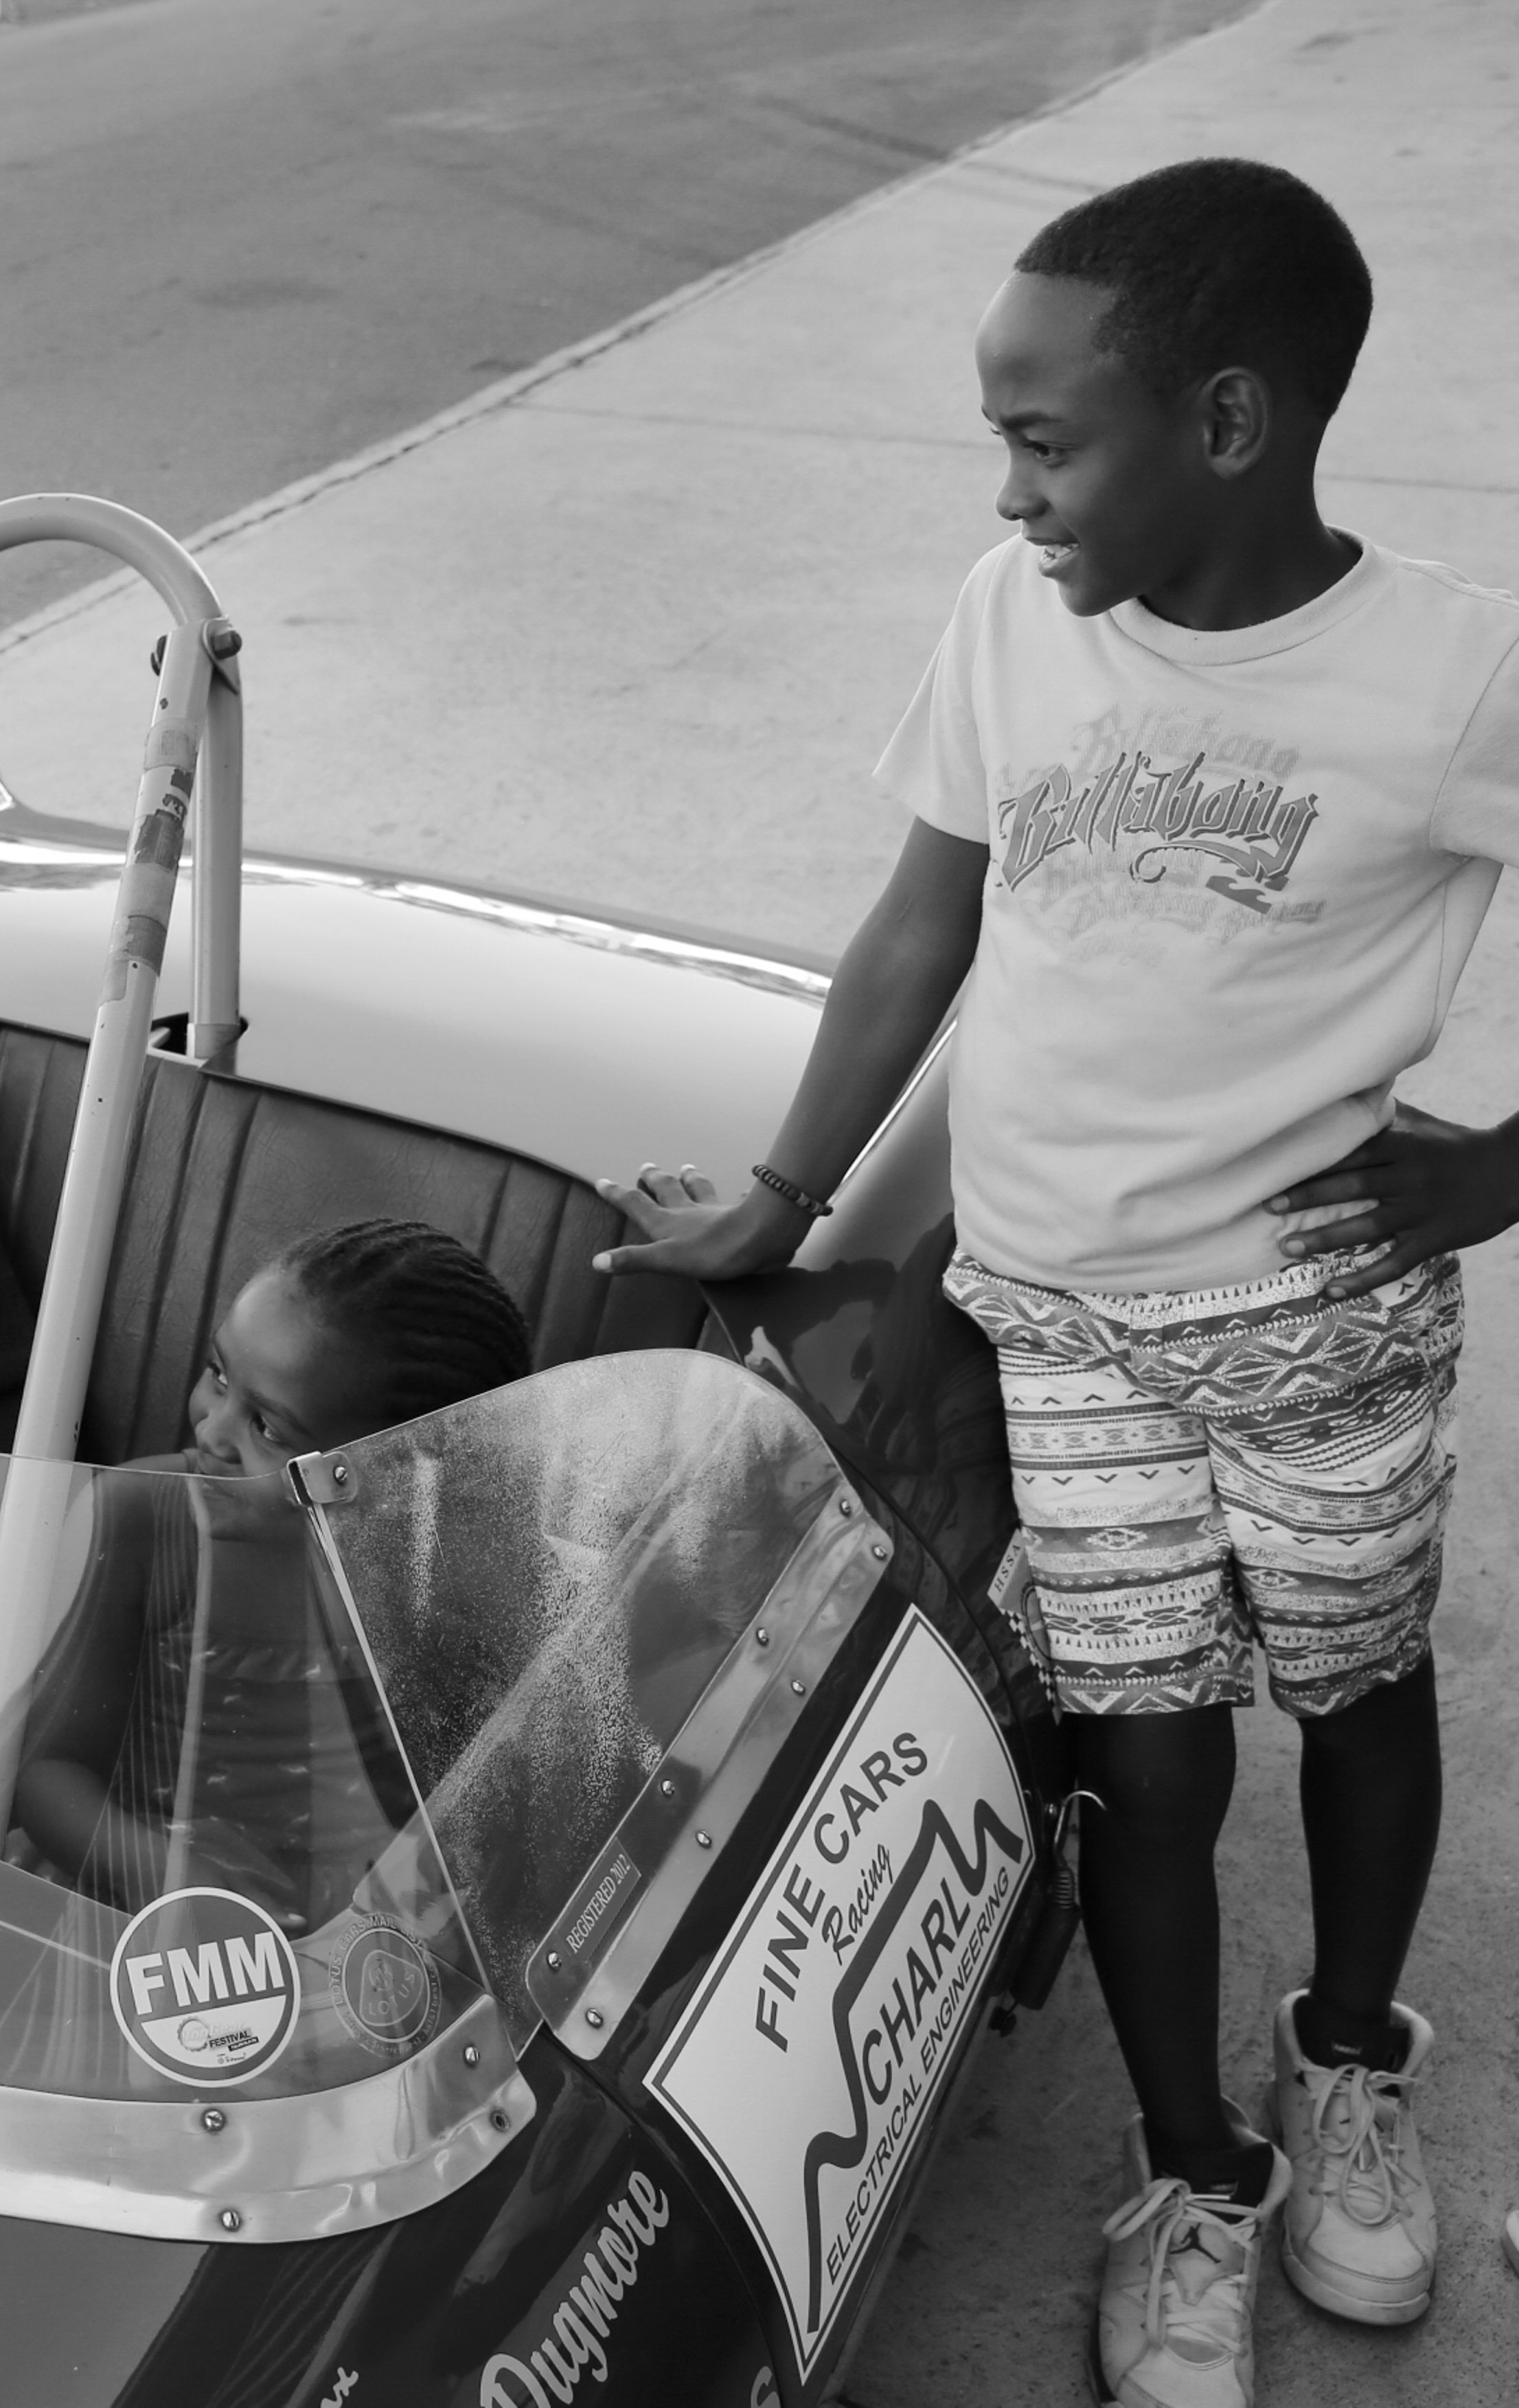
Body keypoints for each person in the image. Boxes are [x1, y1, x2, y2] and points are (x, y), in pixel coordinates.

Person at [595, 161, 1513, 2405]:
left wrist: (1505, 1163)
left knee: (1357, 1689)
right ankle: (1190, 2160)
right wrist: (793, 1191)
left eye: (1042, 438)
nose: (1008, 492)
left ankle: (1346, 2054)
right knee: (1145, 1750)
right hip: (1063, 1319)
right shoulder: (1010, 622)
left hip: (1318, 1321)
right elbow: (926, 924)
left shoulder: (1452, 670)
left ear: (1228, 420)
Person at [12, 1220, 532, 1922]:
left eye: (267, 1427)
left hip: (358, 1921)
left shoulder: (431, 1571)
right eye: (219, 1375)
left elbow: (474, 1772)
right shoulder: (144, 1517)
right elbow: (45, 1772)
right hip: (144, 1900)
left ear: (393, 1470)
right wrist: (167, 1878)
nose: (211, 1430)